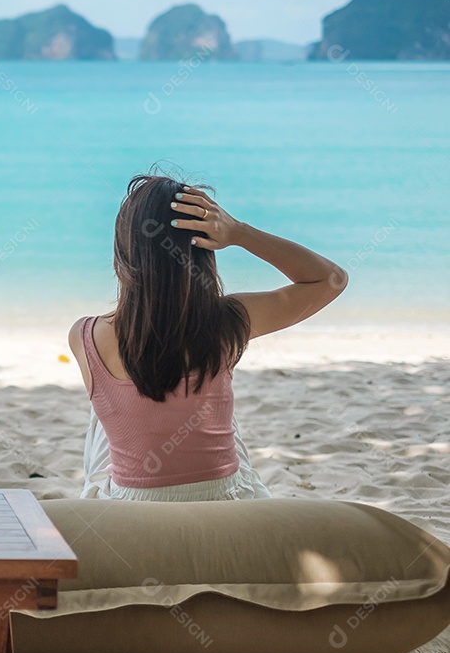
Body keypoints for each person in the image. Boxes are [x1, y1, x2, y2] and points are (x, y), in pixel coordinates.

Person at [69, 173, 348, 501]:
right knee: (215, 398)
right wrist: (240, 233)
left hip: (131, 505)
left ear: (123, 256)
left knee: (104, 415)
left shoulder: (85, 335)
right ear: (204, 254)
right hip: (224, 500)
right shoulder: (229, 323)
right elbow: (331, 279)